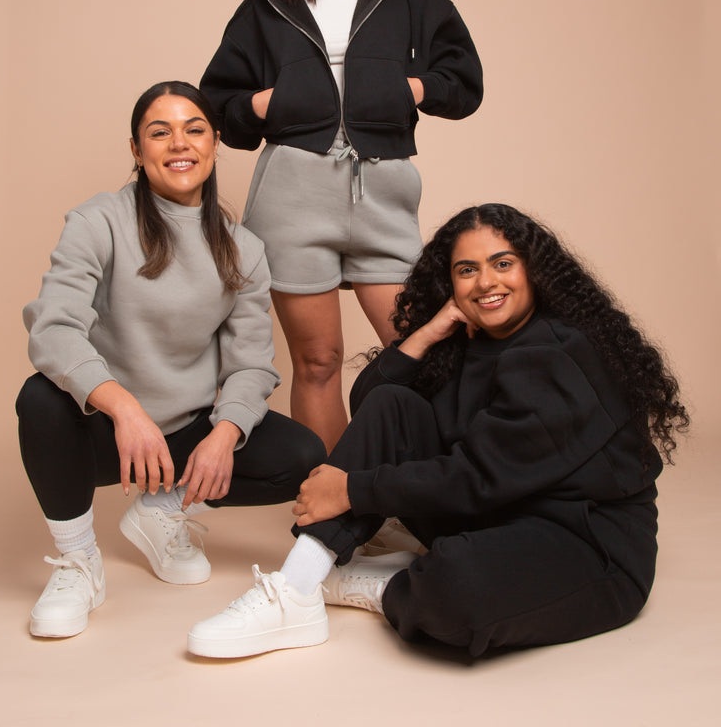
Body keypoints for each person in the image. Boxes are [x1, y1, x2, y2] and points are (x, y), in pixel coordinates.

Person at [186, 203, 689, 659]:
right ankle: (297, 588)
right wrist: (430, 329)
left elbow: (481, 476)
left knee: (457, 592)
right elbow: (371, 405)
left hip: (583, 539)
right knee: (393, 403)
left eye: (503, 263)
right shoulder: (468, 340)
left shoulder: (556, 352)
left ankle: (383, 583)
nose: (485, 282)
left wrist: (353, 490)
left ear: (534, 270)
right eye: (466, 271)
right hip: (494, 514)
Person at [199, 0, 483, 452]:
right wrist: (263, 104)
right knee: (320, 363)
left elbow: (463, 82)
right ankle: (329, 516)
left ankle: (431, 494)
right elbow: (219, 104)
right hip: (293, 195)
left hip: (383, 191)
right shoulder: (266, 1)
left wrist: (410, 88)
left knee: (426, 356)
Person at [17, 81, 325, 639]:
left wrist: (225, 433)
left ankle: (163, 510)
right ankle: (78, 564)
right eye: (159, 132)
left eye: (194, 129)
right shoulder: (97, 222)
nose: (179, 144)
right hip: (110, 433)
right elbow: (53, 327)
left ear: (213, 144)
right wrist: (124, 409)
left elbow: (252, 365)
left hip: (184, 434)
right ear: (137, 151)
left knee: (301, 453)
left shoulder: (244, 249)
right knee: (38, 399)